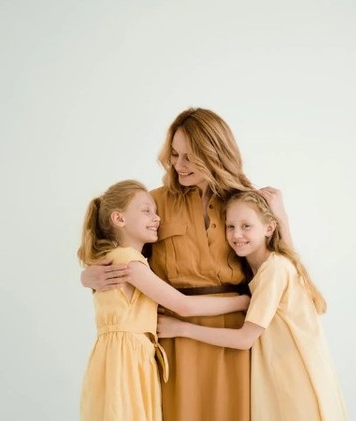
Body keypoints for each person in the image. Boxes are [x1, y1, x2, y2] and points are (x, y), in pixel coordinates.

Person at [81, 108, 292, 421]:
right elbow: (113, 246)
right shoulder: (155, 202)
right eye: (175, 154)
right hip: (173, 334)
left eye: (189, 157)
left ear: (214, 154)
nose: (179, 165)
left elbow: (279, 265)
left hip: (233, 332)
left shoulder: (243, 203)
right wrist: (88, 276)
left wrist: (282, 219)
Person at [157, 191, 349, 421]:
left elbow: (244, 339)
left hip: (295, 381)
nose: (236, 234)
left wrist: (181, 329)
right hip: (281, 377)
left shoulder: (275, 270)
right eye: (230, 226)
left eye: (246, 226)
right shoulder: (261, 269)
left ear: (269, 228)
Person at [77, 179, 250, 421]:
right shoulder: (130, 263)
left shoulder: (116, 260)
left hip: (120, 356)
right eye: (146, 211)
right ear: (119, 219)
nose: (157, 218)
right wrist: (242, 302)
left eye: (155, 211)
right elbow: (184, 305)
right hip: (127, 358)